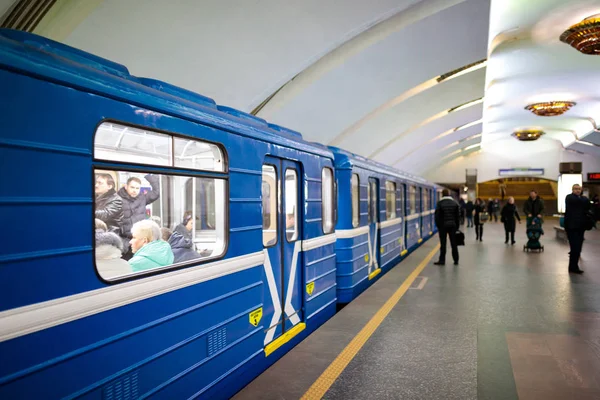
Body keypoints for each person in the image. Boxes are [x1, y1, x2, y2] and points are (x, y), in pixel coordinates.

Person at [117, 175, 160, 257]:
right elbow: (114, 224)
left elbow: (156, 193)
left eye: (137, 188)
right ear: (126, 187)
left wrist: (150, 177)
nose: (134, 191)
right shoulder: (117, 199)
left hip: (140, 241)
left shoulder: (142, 198)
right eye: (132, 187)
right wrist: (123, 244)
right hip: (125, 242)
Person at [564, 184, 590, 274]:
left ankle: (573, 266)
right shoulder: (569, 197)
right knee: (574, 247)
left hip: (580, 227)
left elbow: (587, 204)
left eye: (579, 189)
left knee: (578, 247)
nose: (577, 190)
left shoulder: (582, 199)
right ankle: (573, 266)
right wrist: (583, 199)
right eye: (576, 189)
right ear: (572, 190)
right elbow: (583, 201)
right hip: (571, 227)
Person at [433, 189, 460, 266]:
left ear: (442, 194)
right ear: (449, 194)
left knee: (443, 244)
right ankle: (456, 260)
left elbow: (437, 216)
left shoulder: (440, 203)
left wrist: (438, 226)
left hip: (443, 227)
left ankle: (442, 260)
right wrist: (457, 226)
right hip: (453, 226)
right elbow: (458, 217)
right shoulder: (455, 203)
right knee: (454, 244)